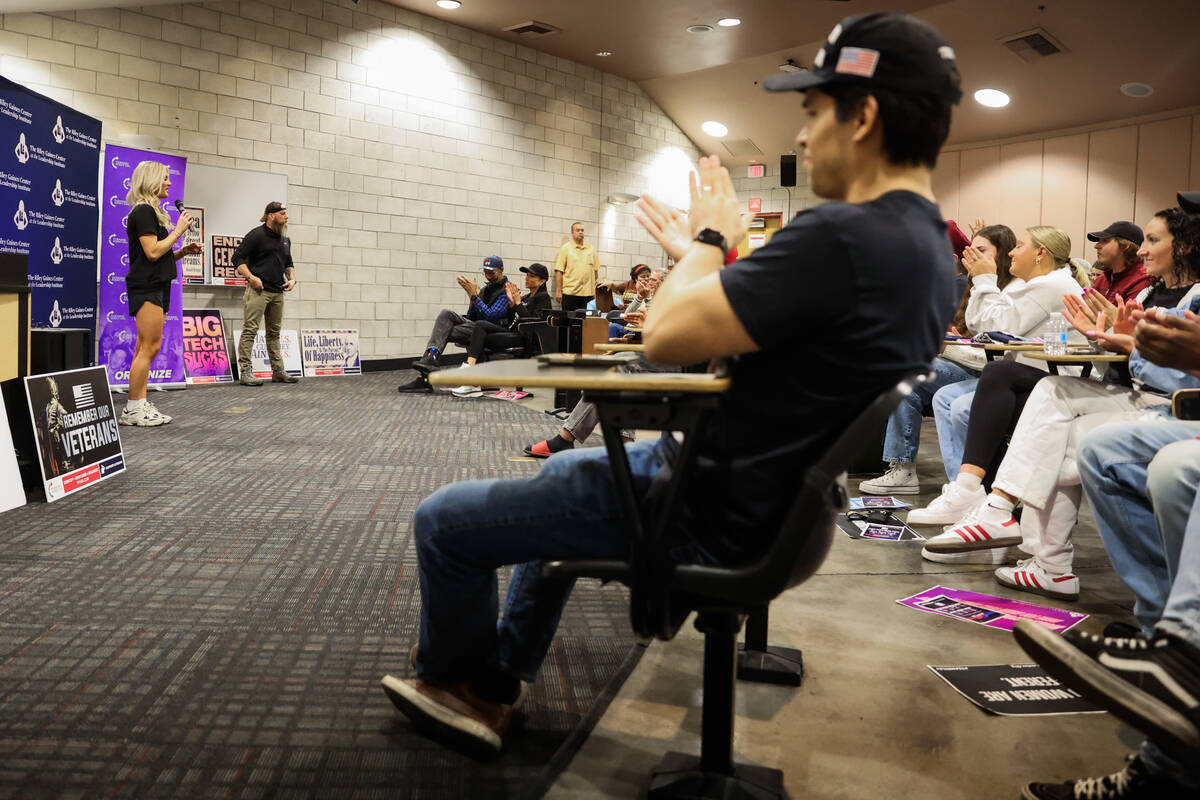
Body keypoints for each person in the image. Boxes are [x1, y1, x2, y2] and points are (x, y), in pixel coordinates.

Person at [379, 11, 961, 756]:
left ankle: (461, 685)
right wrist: (701, 255)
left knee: (443, 522)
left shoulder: (842, 236)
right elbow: (767, 340)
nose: (803, 137)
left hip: (705, 509)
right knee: (564, 466)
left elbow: (664, 338)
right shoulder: (925, 249)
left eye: (813, 113)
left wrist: (713, 242)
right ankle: (497, 678)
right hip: (787, 512)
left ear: (866, 115)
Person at [919, 209, 1200, 599]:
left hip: (1170, 405)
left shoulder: (1193, 298)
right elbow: (986, 325)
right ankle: (1003, 519)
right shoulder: (1150, 293)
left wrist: (1131, 348)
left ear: (1184, 246)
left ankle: (1036, 548)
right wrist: (1110, 339)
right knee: (1050, 390)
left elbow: (1177, 374)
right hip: (1130, 391)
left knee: (1057, 438)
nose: (1144, 251)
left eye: (1153, 241)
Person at [1012, 309, 1200, 798]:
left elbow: (1167, 379)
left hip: (1170, 406)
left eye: (1155, 238)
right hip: (1172, 407)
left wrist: (1141, 351)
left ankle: (1181, 655)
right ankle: (1166, 639)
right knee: (1101, 446)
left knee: (1176, 468)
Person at [859, 224, 1015, 495]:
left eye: (981, 251)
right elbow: (970, 333)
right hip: (967, 363)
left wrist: (947, 343)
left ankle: (959, 485)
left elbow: (995, 343)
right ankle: (904, 469)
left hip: (992, 372)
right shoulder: (969, 285)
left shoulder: (1003, 288)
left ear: (1000, 254)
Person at [118, 160, 201, 427]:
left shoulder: (151, 212)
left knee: (145, 346)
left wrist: (182, 252)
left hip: (157, 283)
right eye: (165, 178)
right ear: (152, 180)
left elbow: (158, 255)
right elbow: (152, 252)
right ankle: (133, 408)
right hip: (147, 286)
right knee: (150, 347)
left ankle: (138, 403)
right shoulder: (142, 211)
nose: (168, 183)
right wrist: (179, 230)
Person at [397, 256, 515, 393]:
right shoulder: (485, 290)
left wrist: (473, 296)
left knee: (443, 331)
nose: (488, 276)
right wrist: (473, 300)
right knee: (445, 314)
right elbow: (472, 317)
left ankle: (424, 377)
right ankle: (431, 358)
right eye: (486, 272)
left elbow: (490, 316)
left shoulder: (507, 290)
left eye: (491, 272)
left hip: (492, 330)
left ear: (501, 270)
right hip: (477, 326)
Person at [448, 263, 553, 396]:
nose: (527, 278)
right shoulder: (525, 297)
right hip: (510, 331)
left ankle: (471, 375)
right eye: (527, 275)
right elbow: (511, 319)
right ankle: (475, 378)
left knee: (479, 330)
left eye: (532, 276)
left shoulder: (543, 297)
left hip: (523, 338)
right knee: (479, 329)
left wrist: (518, 304)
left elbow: (533, 323)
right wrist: (511, 304)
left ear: (542, 281)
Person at [233, 202, 298, 386]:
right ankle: (246, 371)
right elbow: (236, 258)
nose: (286, 217)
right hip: (258, 291)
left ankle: (278, 371)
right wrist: (251, 277)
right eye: (283, 213)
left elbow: (288, 263)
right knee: (250, 330)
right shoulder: (256, 235)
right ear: (271, 215)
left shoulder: (285, 239)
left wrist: (292, 279)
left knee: (274, 333)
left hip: (278, 292)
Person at [1088, 220, 1152, 304]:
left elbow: (1126, 316)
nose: (1096, 246)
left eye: (1104, 241)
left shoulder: (1142, 281)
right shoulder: (1102, 279)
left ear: (1125, 246)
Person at [554, 222, 600, 311]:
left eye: (582, 230)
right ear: (572, 233)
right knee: (569, 322)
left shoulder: (590, 249)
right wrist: (558, 291)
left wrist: (597, 292)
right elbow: (559, 270)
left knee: (586, 323)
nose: (580, 232)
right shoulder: (566, 248)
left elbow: (595, 271)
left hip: (588, 295)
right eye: (577, 230)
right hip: (570, 293)